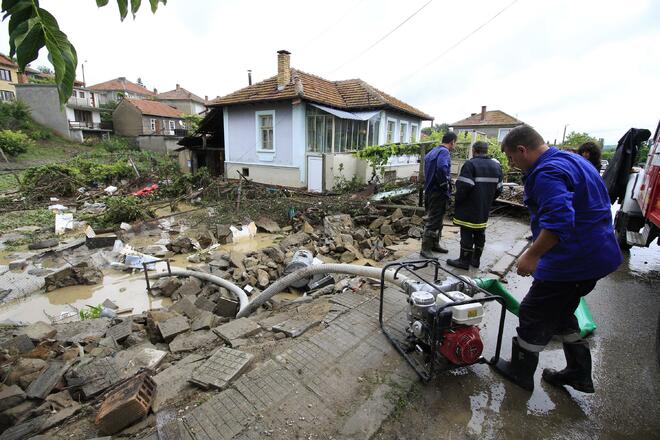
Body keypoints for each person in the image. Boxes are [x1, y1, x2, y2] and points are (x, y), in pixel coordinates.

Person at [493, 126, 622, 393]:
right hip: (598, 255)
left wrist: (532, 255)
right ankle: (579, 373)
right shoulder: (573, 160)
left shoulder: (546, 172)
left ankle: (520, 372)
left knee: (533, 311)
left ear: (522, 150)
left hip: (575, 260)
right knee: (562, 312)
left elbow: (559, 221)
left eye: (511, 157)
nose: (511, 164)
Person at [446, 141, 503, 269]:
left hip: (468, 208)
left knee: (466, 232)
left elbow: (463, 187)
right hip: (484, 208)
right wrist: (487, 200)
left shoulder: (470, 164)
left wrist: (457, 201)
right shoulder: (496, 166)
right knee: (480, 232)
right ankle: (476, 260)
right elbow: (499, 189)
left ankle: (464, 261)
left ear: (474, 150)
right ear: (486, 150)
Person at [421, 131, 456, 258]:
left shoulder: (432, 152)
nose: (455, 146)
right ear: (452, 142)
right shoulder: (444, 152)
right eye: (455, 143)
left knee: (438, 218)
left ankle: (435, 244)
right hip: (438, 191)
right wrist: (444, 184)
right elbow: (442, 168)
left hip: (429, 190)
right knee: (434, 220)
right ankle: (425, 248)